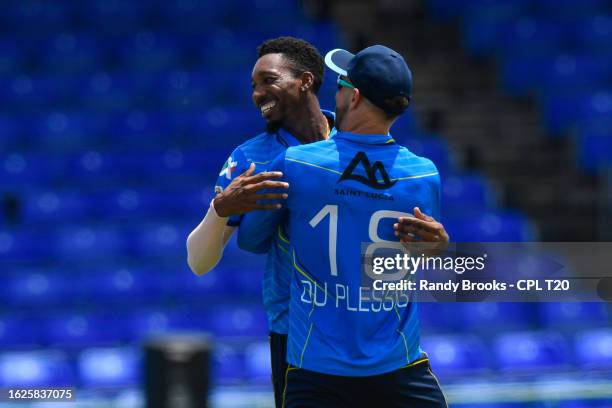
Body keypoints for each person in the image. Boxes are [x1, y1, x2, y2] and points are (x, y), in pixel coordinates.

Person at [238, 45, 448, 407]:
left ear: (353, 97)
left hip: (316, 372)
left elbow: (252, 239)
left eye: (338, 86)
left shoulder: (295, 163)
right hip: (398, 366)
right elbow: (416, 255)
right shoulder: (424, 175)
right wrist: (440, 246)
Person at [186, 36, 334, 408]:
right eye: (254, 86)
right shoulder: (250, 159)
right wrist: (220, 208)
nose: (257, 94)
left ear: (306, 81)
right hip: (295, 332)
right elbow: (199, 263)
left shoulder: (354, 140)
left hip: (363, 325)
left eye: (268, 80)